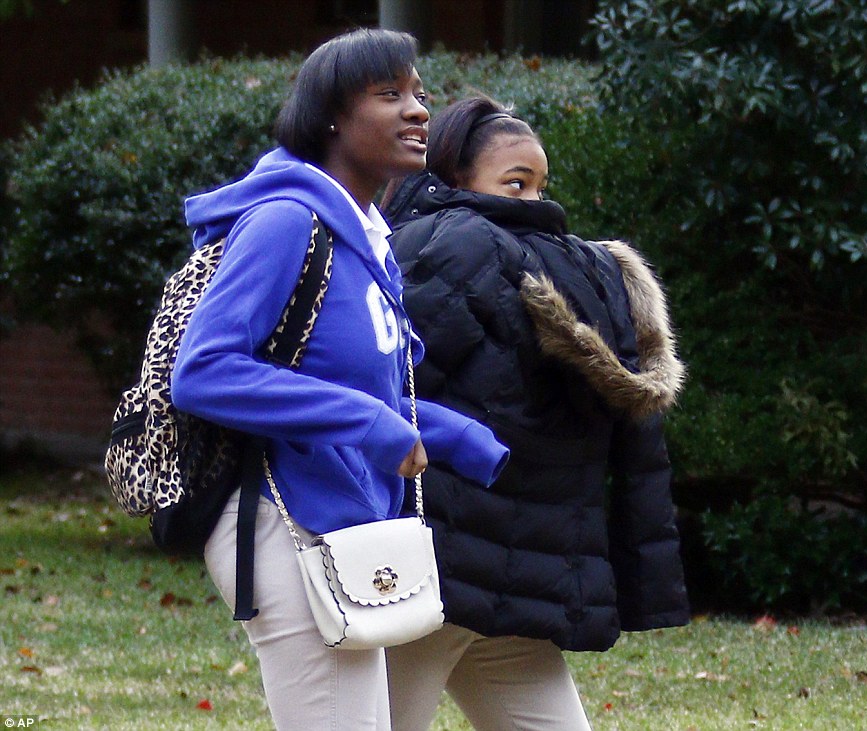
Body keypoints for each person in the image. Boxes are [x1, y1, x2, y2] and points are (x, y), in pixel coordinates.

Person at [170, 34, 508, 731]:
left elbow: (361, 387)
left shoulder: (367, 238)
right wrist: (371, 424)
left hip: (343, 520)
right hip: (282, 520)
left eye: (419, 94)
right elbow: (203, 371)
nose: (418, 111)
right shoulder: (286, 221)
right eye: (390, 95)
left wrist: (456, 437)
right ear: (330, 117)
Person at [382, 96, 690, 731]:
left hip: (448, 565)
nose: (534, 203)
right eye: (515, 183)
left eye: (539, 186)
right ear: (453, 179)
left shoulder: (449, 246)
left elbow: (386, 384)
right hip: (502, 573)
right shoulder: (576, 269)